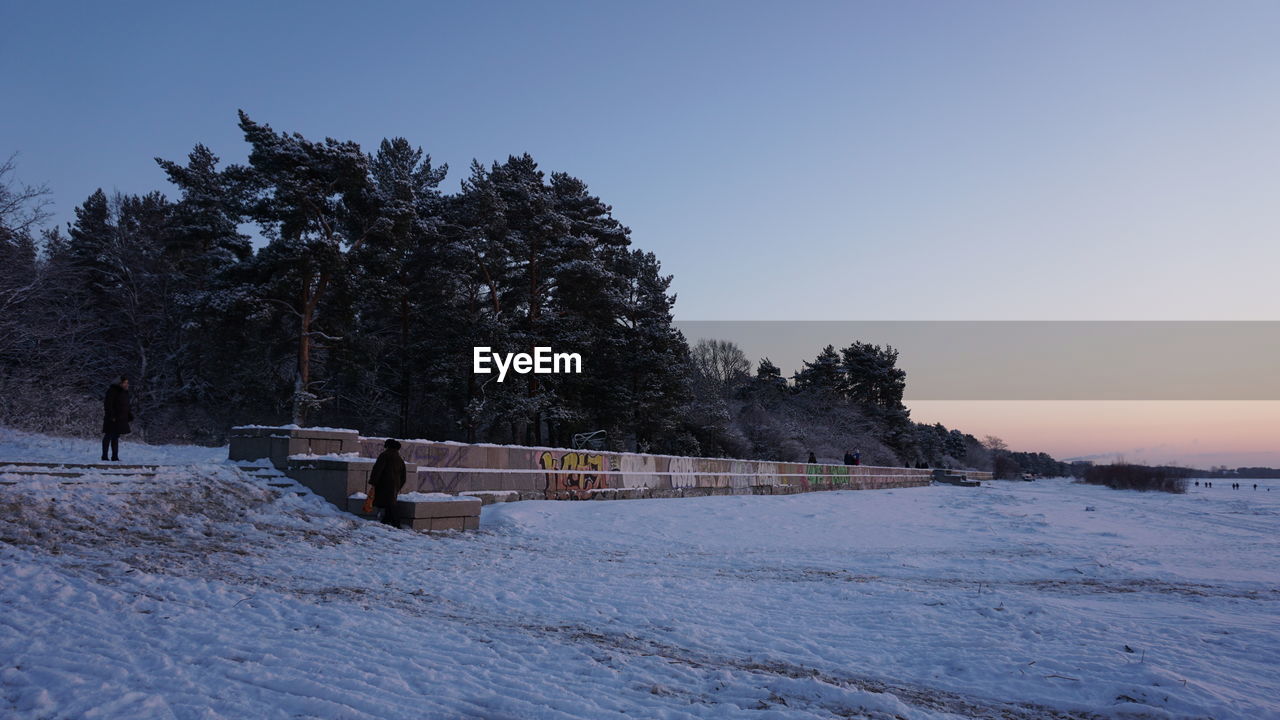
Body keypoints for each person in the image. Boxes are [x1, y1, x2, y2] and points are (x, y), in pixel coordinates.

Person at [368, 438, 407, 528]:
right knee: (390, 503)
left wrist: (373, 482)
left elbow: (377, 469)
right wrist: (398, 486)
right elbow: (403, 476)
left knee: (390, 504)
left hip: (384, 484)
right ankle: (386, 521)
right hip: (395, 485)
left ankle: (396, 524)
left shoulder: (384, 455)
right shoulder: (399, 458)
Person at [101, 376, 133, 462]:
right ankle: (104, 456)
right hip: (112, 418)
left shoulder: (125, 392)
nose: (127, 384)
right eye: (125, 382)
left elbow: (126, 406)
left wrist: (129, 415)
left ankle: (115, 457)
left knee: (115, 437)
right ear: (120, 383)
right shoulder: (112, 391)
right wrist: (111, 416)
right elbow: (108, 404)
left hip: (121, 418)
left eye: (127, 383)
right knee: (108, 435)